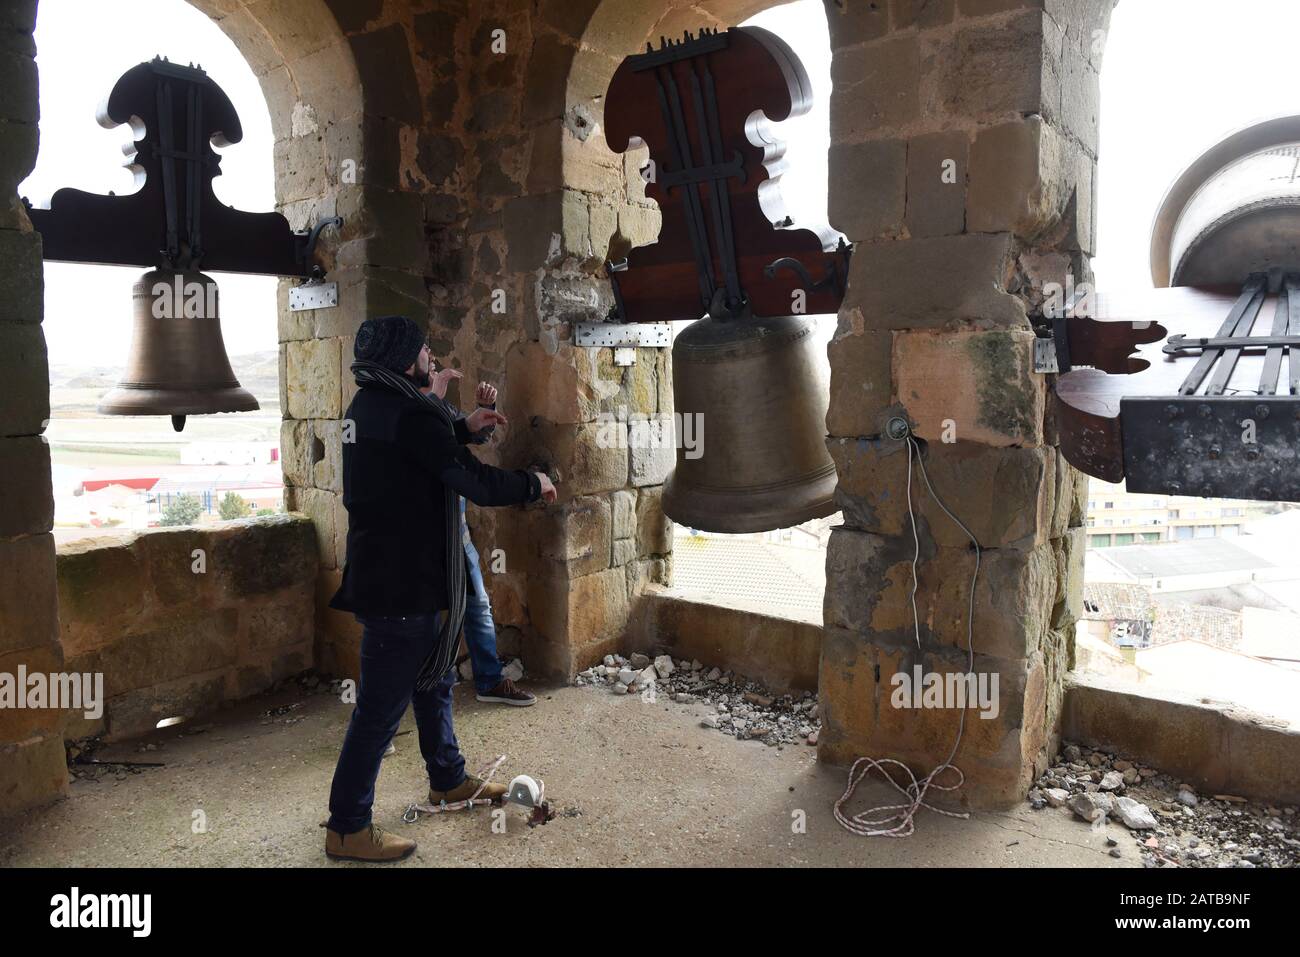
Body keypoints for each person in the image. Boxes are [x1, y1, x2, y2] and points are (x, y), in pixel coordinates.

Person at [323, 315, 557, 863]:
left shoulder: (371, 404)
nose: (431, 354)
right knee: (378, 714)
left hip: (397, 578)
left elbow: (413, 448)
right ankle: (347, 828)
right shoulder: (409, 410)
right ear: (408, 360)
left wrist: (459, 425)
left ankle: (448, 780)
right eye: (423, 348)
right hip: (405, 587)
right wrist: (532, 482)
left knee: (434, 682)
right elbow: (469, 480)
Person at [424, 370, 536, 708]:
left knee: (477, 605)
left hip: (455, 532)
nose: (434, 370)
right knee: (414, 622)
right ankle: (388, 716)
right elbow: (448, 455)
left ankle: (488, 680)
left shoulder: (436, 411)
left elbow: (471, 439)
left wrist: (485, 408)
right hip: (423, 537)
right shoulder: (410, 413)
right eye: (428, 364)